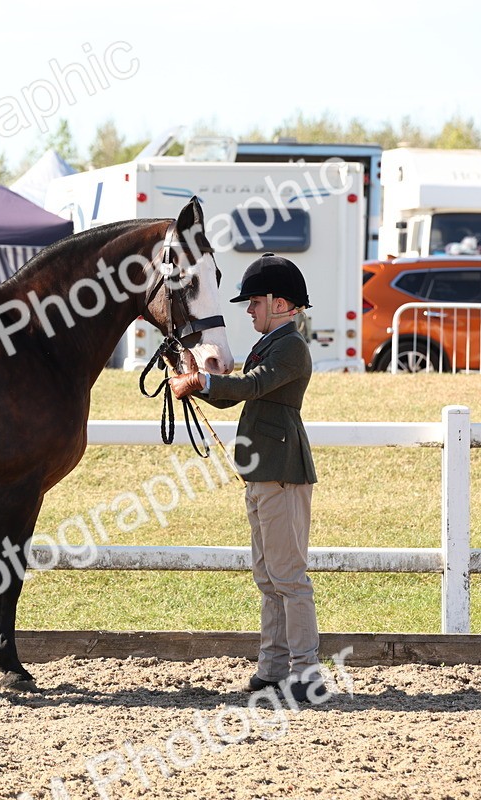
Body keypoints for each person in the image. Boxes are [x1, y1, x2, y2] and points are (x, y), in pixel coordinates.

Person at [169, 253, 327, 704]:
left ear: (280, 303)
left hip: (280, 470)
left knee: (289, 575)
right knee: (267, 575)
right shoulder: (272, 343)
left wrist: (204, 383)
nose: (249, 310)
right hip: (262, 471)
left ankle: (306, 671)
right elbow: (232, 395)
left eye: (255, 301)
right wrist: (191, 375)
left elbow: (252, 386)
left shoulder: (290, 346)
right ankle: (274, 667)